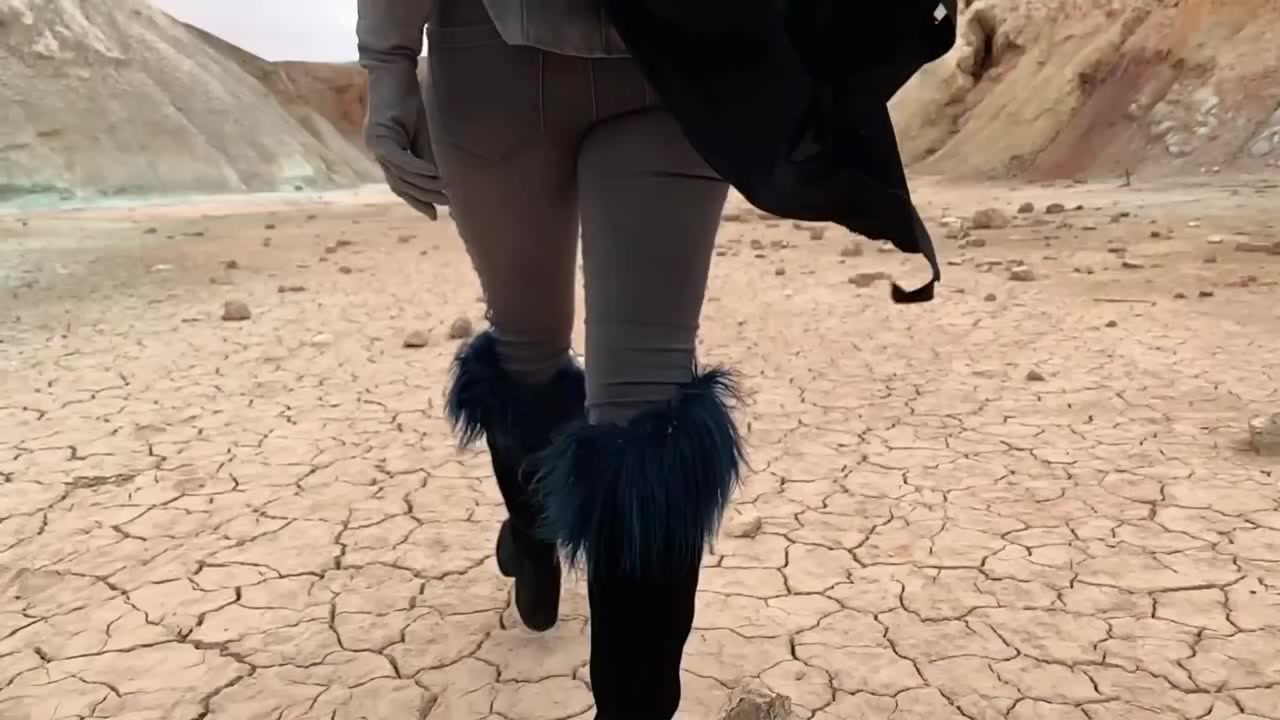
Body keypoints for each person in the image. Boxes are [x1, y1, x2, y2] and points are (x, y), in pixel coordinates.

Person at [358, 0, 745, 717]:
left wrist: (389, 66)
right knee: (638, 399)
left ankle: (540, 551)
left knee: (558, 359)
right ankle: (542, 544)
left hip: (529, 59)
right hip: (672, 55)